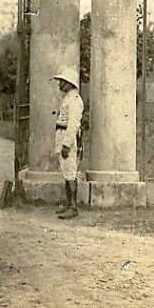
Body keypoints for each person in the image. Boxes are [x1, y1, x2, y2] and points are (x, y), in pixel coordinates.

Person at [52, 68, 84, 219]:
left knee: (71, 172)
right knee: (66, 171)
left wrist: (66, 144)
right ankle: (68, 203)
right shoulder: (68, 98)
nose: (60, 83)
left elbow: (73, 124)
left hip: (68, 138)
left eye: (63, 81)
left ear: (69, 83)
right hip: (62, 135)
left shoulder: (75, 100)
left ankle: (73, 207)